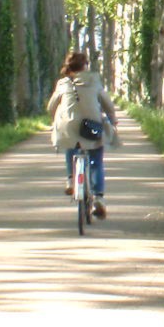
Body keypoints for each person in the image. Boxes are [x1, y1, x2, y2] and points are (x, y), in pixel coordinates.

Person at [48, 50, 120, 218]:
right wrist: (112, 118)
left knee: (70, 145)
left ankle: (71, 179)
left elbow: (51, 106)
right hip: (91, 128)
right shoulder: (94, 81)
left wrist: (56, 120)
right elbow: (107, 104)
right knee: (96, 161)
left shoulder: (63, 83)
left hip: (68, 127)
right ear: (85, 66)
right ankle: (98, 198)